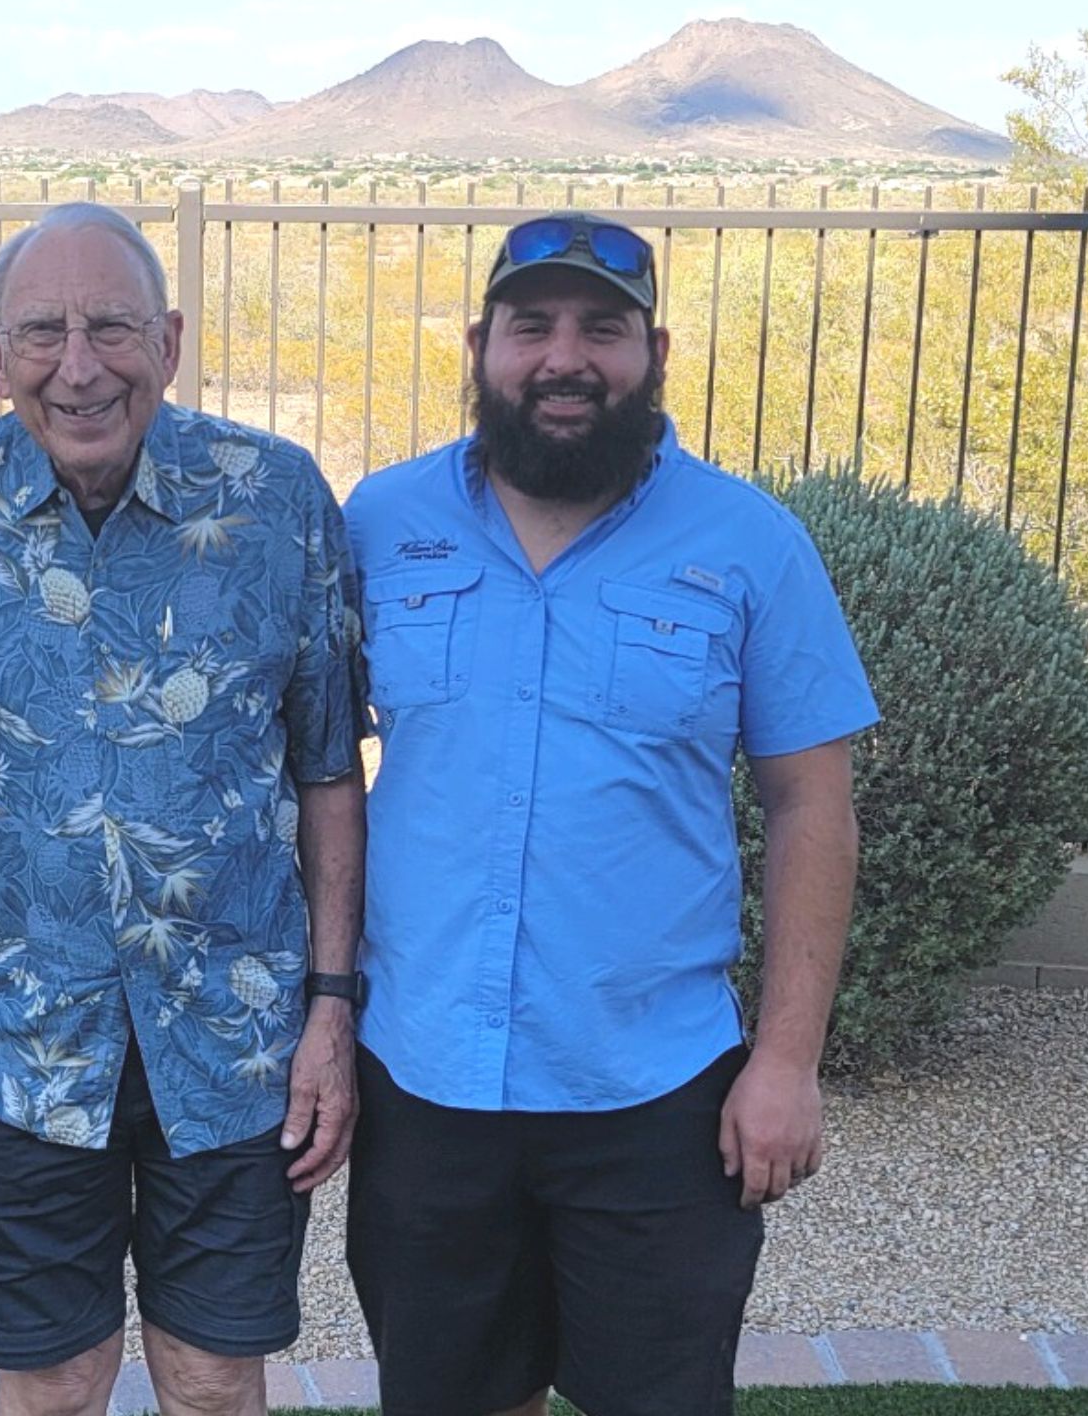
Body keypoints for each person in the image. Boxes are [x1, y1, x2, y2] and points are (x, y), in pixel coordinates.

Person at [341, 211, 878, 1416]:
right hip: (426, 1082)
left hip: (653, 1094)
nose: (564, 358)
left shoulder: (750, 545)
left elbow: (811, 806)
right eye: (532, 327)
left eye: (603, 328)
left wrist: (787, 1061)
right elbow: (316, 776)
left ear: (659, 352)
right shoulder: (379, 526)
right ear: (481, 345)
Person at [0, 203, 366, 1416]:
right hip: (17, 1045)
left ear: (171, 338)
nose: (78, 366)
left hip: (236, 1042)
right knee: (54, 1382)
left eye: (112, 327)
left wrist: (332, 1014)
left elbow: (329, 775)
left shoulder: (278, 500)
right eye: (42, 331)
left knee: (210, 1379)